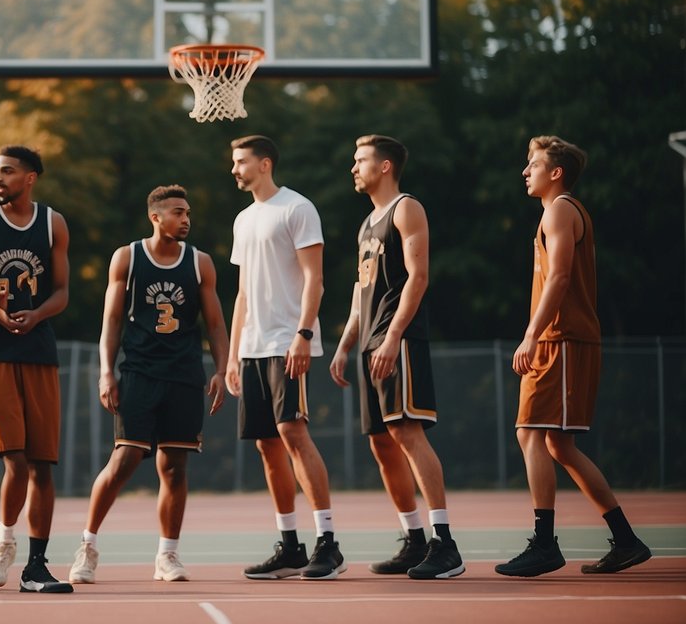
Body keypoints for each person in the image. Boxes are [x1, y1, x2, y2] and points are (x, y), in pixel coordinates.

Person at [495, 136, 651, 577]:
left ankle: (545, 544)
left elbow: (560, 277)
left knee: (530, 434)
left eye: (534, 164)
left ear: (556, 172)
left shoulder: (561, 209)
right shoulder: (556, 212)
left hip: (559, 339)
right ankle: (625, 540)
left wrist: (531, 334)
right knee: (558, 444)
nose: (526, 172)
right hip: (559, 339)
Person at [68, 185, 229, 584]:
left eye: (188, 212)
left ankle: (167, 555)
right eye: (178, 212)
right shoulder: (128, 257)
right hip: (139, 372)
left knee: (174, 468)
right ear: (155, 217)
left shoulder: (200, 263)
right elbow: (111, 321)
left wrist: (223, 370)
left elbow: (215, 325)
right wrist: (107, 370)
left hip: (184, 375)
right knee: (123, 461)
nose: (186, 219)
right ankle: (87, 547)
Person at [328, 134, 465, 580]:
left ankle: (446, 544)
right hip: (370, 341)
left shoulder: (407, 208)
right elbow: (359, 291)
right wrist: (346, 343)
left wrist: (392, 338)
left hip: (397, 339)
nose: (354, 167)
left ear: (384, 166)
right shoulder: (366, 223)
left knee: (408, 433)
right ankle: (415, 539)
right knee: (381, 444)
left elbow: (418, 277)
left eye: (361, 159)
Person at [0, 145, 73, 594]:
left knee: (43, 465)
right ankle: (5, 541)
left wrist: (38, 314)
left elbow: (61, 292)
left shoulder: (52, 223)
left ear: (30, 178)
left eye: (7, 171)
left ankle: (37, 566)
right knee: (16, 460)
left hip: (39, 349)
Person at [224, 135, 343, 580]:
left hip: (286, 342)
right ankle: (291, 545)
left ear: (265, 163)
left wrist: (303, 334)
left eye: (241, 162)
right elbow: (242, 293)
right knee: (265, 444)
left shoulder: (297, 208)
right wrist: (234, 355)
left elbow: (315, 279)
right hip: (253, 347)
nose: (235, 169)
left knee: (293, 433)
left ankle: (328, 543)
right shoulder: (242, 219)